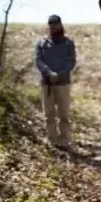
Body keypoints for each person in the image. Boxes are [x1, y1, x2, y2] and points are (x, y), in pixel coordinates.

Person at [34, 14, 76, 150]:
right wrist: (48, 72)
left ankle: (65, 140)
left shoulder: (68, 43)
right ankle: (52, 140)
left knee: (64, 114)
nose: (53, 27)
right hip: (47, 84)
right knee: (49, 114)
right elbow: (38, 60)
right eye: (51, 25)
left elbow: (71, 61)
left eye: (56, 24)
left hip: (63, 83)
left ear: (60, 25)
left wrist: (60, 73)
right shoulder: (42, 43)